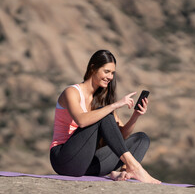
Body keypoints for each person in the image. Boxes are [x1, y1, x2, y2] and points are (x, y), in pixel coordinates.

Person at [49, 49, 160, 184]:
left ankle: (124, 172)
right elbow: (81, 121)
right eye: (106, 71)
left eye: (112, 73)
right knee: (104, 114)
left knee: (141, 139)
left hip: (87, 163)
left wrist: (135, 116)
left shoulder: (102, 102)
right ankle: (135, 167)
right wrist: (115, 105)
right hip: (64, 159)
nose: (110, 77)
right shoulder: (71, 92)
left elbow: (120, 137)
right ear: (93, 68)